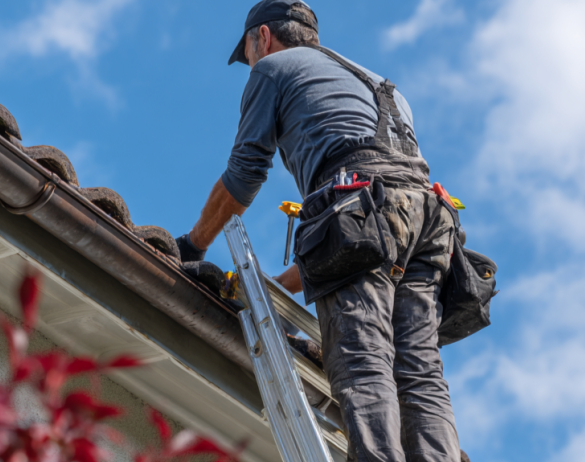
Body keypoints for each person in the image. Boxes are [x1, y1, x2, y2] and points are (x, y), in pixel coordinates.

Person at [175, 1, 460, 460]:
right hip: (430, 217)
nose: (250, 61)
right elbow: (365, 244)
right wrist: (272, 288)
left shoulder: (272, 69)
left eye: (248, 51)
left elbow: (245, 176)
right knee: (419, 373)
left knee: (362, 360)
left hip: (361, 205)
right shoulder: (382, 85)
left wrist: (192, 245)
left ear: (261, 38)